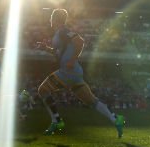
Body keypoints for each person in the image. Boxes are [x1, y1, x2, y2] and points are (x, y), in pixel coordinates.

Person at [36, 8, 125, 138]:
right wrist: (46, 49)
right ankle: (116, 119)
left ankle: (57, 121)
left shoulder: (63, 31)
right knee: (91, 101)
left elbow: (80, 41)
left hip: (68, 71)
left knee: (43, 90)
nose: (50, 19)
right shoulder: (59, 34)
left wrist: (72, 59)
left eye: (51, 17)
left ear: (54, 18)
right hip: (74, 72)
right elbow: (59, 54)